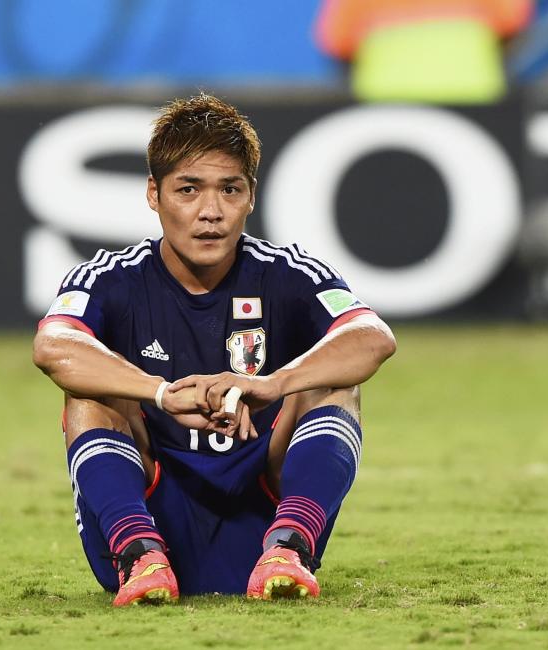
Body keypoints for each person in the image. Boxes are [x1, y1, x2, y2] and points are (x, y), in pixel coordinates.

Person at [32, 93, 396, 606]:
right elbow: (52, 347)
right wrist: (160, 394)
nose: (211, 212)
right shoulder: (112, 279)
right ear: (153, 194)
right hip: (149, 511)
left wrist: (274, 383)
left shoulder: (287, 272)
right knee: (88, 393)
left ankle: (290, 546)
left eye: (230, 189)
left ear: (251, 197)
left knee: (336, 380)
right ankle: (139, 553)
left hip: (263, 514)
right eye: (189, 189)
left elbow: (373, 338)